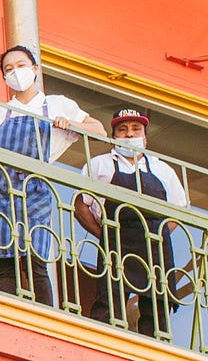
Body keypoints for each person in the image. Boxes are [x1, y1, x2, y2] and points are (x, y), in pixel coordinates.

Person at [0, 47, 102, 307]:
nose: (15, 72)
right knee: (4, 262)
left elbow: (98, 130)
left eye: (21, 65)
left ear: (35, 68)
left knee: (34, 258)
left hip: (34, 188)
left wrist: (71, 125)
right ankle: (5, 310)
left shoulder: (58, 104)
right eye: (8, 69)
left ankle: (45, 316)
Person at [79, 105, 188, 341]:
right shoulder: (99, 164)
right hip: (116, 242)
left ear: (145, 139)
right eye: (122, 129)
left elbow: (177, 213)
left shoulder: (162, 168)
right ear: (114, 136)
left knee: (156, 308)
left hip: (156, 250)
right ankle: (104, 344)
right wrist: (105, 235)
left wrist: (156, 237)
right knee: (110, 300)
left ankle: (156, 351)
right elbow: (81, 207)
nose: (129, 134)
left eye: (135, 129)